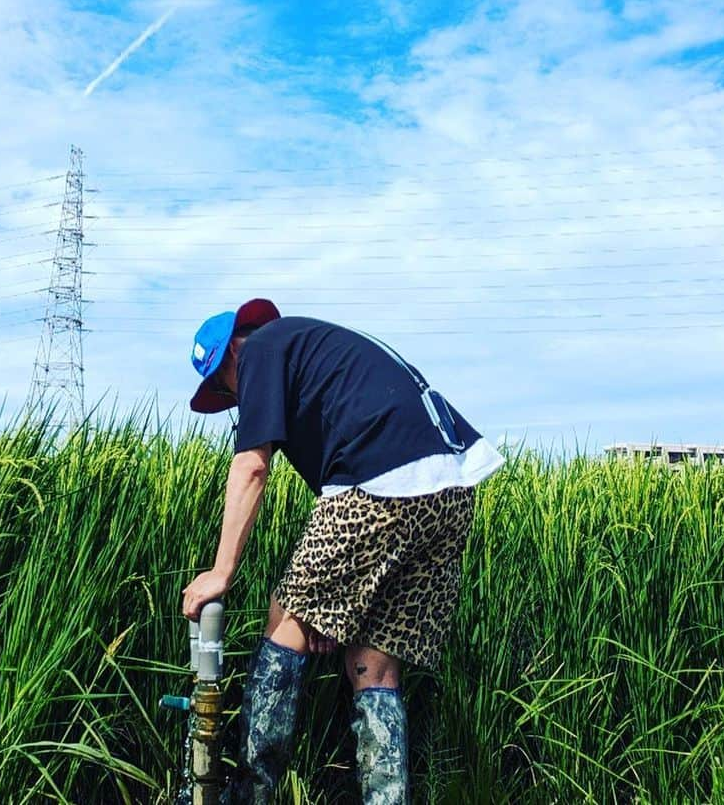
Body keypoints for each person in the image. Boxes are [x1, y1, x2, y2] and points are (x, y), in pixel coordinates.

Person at [181, 298, 504, 804]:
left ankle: (251, 796)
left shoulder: (261, 349)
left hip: (381, 479)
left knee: (285, 618)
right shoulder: (315, 359)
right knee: (375, 667)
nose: (238, 402)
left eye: (226, 391)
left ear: (230, 361)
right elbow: (352, 547)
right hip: (450, 489)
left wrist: (221, 572)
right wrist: (332, 614)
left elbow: (251, 467)